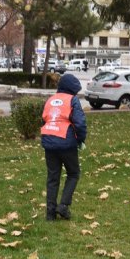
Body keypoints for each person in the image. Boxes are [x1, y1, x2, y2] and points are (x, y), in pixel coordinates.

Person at [41, 74, 87, 221]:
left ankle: (50, 213)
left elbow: (44, 118)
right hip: (66, 142)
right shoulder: (72, 100)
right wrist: (80, 140)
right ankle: (63, 206)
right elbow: (79, 123)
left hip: (49, 139)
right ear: (72, 89)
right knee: (73, 174)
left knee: (53, 177)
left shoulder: (51, 99)